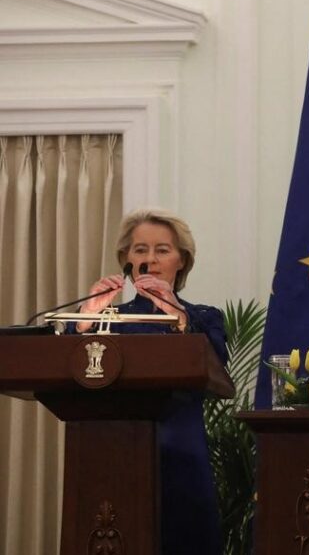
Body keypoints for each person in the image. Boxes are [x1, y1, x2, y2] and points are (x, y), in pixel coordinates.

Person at [72, 208, 226, 554]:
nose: (150, 259)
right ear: (127, 260)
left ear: (181, 260)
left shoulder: (203, 317)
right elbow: (70, 367)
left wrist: (177, 317)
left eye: (162, 250)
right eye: (140, 250)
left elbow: (217, 370)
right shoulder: (107, 318)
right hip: (114, 454)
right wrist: (84, 323)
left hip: (182, 454)